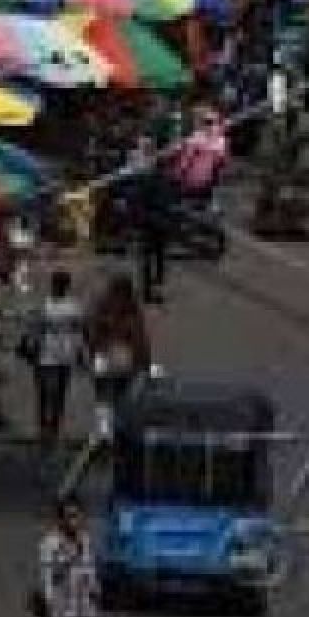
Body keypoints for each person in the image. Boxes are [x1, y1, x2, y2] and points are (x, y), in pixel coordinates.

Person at [37, 499, 99, 617]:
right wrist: (50, 610)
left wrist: (94, 587)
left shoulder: (84, 539)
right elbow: (48, 577)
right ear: (60, 520)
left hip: (82, 608)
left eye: (76, 516)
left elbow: (89, 568)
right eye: (68, 517)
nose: (73, 521)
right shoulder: (50, 544)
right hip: (60, 609)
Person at [24, 271, 84, 456]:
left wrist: (30, 348)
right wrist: (80, 352)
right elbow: (79, 332)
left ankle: (45, 430)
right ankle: (52, 430)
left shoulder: (44, 306)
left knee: (44, 395)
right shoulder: (74, 307)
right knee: (58, 396)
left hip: (46, 356)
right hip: (64, 356)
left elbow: (34, 331)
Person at [86, 274, 152, 443]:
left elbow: (92, 334)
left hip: (108, 358)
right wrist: (145, 362)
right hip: (122, 358)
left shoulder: (103, 308)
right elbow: (140, 338)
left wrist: (93, 353)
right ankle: (116, 432)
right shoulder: (131, 310)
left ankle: (105, 434)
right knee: (118, 397)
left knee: (104, 397)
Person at [122, 135, 175, 305]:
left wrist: (135, 218)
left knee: (147, 257)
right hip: (164, 223)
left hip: (150, 223)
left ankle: (147, 289)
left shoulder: (149, 180)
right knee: (160, 257)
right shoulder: (168, 182)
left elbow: (137, 201)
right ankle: (158, 285)